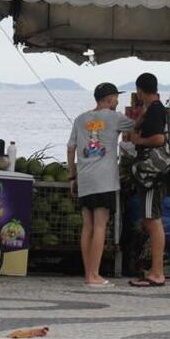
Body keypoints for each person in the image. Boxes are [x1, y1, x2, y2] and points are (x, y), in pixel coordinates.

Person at [67, 82, 135, 286]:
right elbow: (137, 126)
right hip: (105, 180)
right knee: (100, 226)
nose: (117, 101)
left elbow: (70, 148)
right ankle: (94, 275)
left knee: (87, 227)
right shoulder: (115, 117)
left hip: (85, 178)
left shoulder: (80, 119)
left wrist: (72, 176)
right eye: (115, 97)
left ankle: (89, 274)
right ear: (108, 99)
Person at [126, 72, 167, 287]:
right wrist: (140, 118)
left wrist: (138, 139)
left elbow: (159, 139)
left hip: (152, 175)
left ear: (140, 90)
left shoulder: (156, 110)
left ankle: (158, 272)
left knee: (152, 220)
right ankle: (155, 269)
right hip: (149, 174)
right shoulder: (152, 110)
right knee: (150, 219)